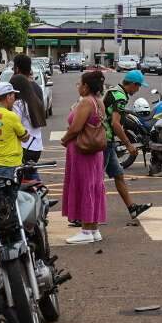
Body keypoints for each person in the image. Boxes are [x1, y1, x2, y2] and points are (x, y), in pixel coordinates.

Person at [60, 71, 107, 244]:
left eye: (79, 84)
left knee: (84, 186)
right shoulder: (98, 101)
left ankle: (86, 231)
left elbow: (75, 127)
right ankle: (93, 228)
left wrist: (64, 140)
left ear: (86, 86)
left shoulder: (86, 102)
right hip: (94, 152)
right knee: (93, 186)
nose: (78, 86)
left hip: (82, 151)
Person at [103, 69, 152, 219]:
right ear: (131, 84)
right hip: (104, 141)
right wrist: (128, 145)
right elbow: (116, 124)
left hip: (107, 141)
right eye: (137, 87)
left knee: (118, 175)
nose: (137, 90)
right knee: (95, 180)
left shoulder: (115, 90)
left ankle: (132, 208)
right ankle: (85, 215)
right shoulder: (120, 97)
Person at [0, 82, 29, 179]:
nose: (14, 99)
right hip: (9, 164)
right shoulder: (10, 115)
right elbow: (25, 137)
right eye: (13, 96)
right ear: (8, 97)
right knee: (10, 194)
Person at [10, 74, 47, 181]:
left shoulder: (18, 104)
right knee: (31, 171)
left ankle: (37, 192)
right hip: (36, 146)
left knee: (23, 177)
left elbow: (14, 123)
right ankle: (39, 192)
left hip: (25, 146)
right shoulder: (34, 101)